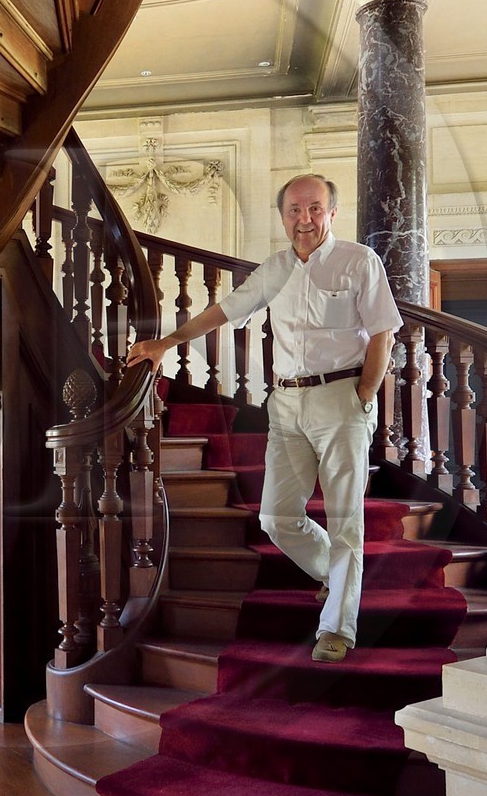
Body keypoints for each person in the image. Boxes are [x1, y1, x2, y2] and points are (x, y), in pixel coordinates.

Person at [128, 176, 401, 659]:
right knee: (277, 518)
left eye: (315, 209)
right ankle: (334, 577)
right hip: (286, 406)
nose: (305, 219)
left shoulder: (359, 262)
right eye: (295, 210)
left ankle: (337, 627)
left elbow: (383, 333)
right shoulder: (273, 270)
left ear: (331, 213)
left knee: (344, 519)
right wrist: (164, 345)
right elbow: (222, 311)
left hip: (341, 398)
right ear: (283, 217)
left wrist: (363, 394)